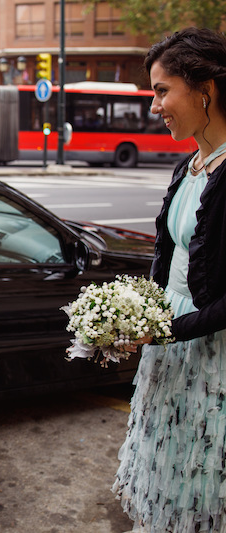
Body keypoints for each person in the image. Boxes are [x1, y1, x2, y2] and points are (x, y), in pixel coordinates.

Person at [112, 27, 226, 533]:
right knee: (168, 453)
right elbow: (167, 251)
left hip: (211, 347)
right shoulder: (189, 166)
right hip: (170, 337)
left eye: (162, 90)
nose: (155, 105)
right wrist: (138, 308)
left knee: (203, 465)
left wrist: (168, 330)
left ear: (207, 89)